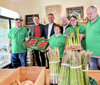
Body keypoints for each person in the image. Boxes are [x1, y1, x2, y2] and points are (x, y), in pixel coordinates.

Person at [86, 6, 100, 70]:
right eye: (88, 14)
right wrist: (83, 35)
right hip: (90, 52)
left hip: (99, 52)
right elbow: (91, 34)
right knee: (92, 70)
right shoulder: (88, 23)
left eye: (90, 13)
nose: (89, 15)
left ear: (96, 12)